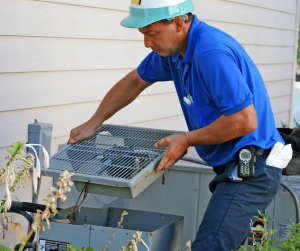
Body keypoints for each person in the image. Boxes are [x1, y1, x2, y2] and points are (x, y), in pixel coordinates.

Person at [67, 0, 290, 250]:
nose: (147, 43)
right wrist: (93, 123)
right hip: (233, 166)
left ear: (177, 23)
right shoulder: (175, 52)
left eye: (151, 34)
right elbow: (134, 82)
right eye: (143, 35)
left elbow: (245, 121)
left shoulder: (209, 51)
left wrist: (186, 139)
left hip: (252, 169)